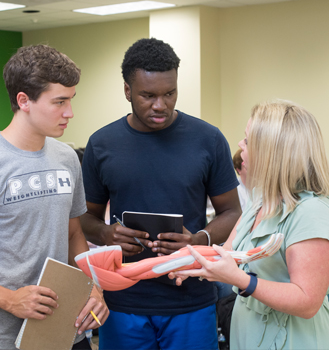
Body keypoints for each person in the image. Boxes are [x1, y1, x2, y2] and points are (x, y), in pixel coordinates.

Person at [81, 38, 241, 350]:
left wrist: (197, 240)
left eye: (170, 93)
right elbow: (85, 217)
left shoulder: (208, 139)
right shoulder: (102, 144)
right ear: (127, 91)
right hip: (123, 299)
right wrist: (105, 233)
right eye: (148, 95)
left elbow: (232, 212)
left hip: (190, 298)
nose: (160, 105)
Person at [0, 45, 108, 350]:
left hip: (66, 331)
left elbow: (74, 233)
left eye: (71, 100)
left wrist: (93, 289)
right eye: (59, 102)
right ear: (23, 101)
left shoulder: (66, 158)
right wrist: (10, 299)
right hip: (0, 337)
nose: (70, 112)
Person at [171, 100, 329, 349]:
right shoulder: (262, 199)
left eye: (248, 141)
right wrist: (187, 262)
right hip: (252, 330)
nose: (240, 147)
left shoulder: (312, 212)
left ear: (271, 152)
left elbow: (307, 301)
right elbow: (226, 254)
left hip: (295, 338)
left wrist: (243, 281)